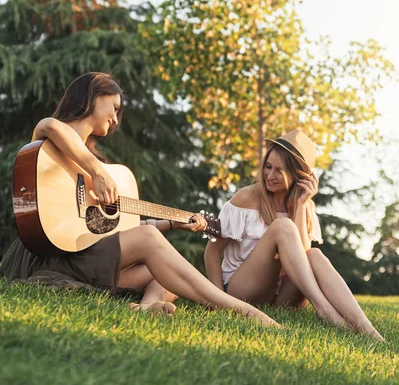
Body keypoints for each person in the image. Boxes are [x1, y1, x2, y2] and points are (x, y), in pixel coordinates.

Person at [1, 72, 282, 328]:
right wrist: (96, 171)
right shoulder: (51, 143)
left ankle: (145, 307)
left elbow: (118, 230)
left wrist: (173, 224)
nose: (115, 120)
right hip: (49, 257)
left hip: (81, 257)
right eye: (114, 108)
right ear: (94, 96)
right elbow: (50, 125)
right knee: (150, 241)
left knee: (165, 273)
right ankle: (241, 310)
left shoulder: (98, 167)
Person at [204, 129, 384, 340]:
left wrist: (300, 204)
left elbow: (304, 256)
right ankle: (324, 308)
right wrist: (218, 300)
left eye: (279, 171)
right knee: (283, 227)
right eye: (268, 167)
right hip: (243, 291)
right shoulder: (246, 198)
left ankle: (368, 330)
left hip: (282, 297)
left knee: (314, 254)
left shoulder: (304, 204)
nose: (270, 176)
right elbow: (211, 253)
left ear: (298, 175)